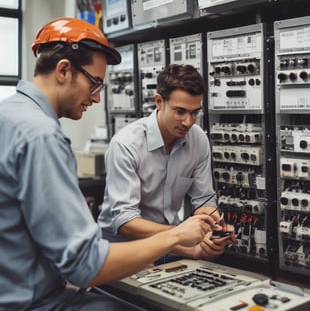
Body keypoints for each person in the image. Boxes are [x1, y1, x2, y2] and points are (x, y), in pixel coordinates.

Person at [0, 18, 218, 311]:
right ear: (64, 70)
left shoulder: (9, 116)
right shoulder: (42, 136)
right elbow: (84, 265)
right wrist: (178, 235)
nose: (97, 96)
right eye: (95, 83)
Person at [98, 64, 235, 264]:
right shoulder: (126, 144)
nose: (188, 122)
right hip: (123, 246)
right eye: (180, 112)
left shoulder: (198, 140)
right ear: (159, 101)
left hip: (171, 242)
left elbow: (204, 199)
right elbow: (124, 221)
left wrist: (215, 226)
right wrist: (181, 233)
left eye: (195, 113)